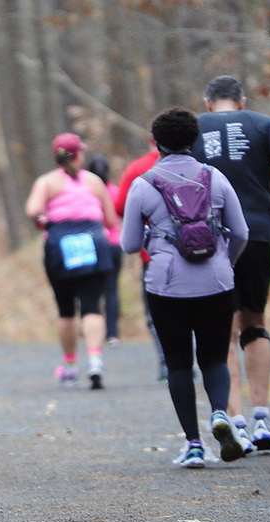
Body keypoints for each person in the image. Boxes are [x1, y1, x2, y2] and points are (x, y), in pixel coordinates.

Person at [121, 106, 249, 468]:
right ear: (194, 140)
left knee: (179, 364)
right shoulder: (216, 178)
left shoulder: (143, 184)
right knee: (214, 356)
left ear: (157, 142)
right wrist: (226, 262)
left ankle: (194, 445)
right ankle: (220, 414)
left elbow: (130, 244)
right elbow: (241, 232)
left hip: (166, 285)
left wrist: (154, 236)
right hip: (217, 280)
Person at [191, 75, 270, 454]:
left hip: (207, 238)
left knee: (220, 328)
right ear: (242, 101)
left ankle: (233, 421)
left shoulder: (193, 128)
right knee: (254, 321)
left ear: (207, 102)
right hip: (255, 232)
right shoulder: (264, 123)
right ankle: (263, 420)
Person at [25, 133, 117, 390]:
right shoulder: (94, 181)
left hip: (59, 243)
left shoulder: (47, 182)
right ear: (79, 154)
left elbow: (33, 210)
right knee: (91, 306)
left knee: (66, 309)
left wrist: (43, 219)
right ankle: (95, 360)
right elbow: (110, 219)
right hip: (93, 240)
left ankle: (71, 365)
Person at [115, 137, 167, 381]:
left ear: (151, 140)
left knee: (156, 312)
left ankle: (167, 361)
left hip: (153, 254)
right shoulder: (200, 166)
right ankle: (193, 358)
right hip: (198, 252)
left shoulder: (137, 169)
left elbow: (119, 206)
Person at [86, 154, 123, 346]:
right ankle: (112, 334)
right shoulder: (115, 191)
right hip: (114, 245)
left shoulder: (85, 192)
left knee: (92, 290)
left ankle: (93, 333)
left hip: (93, 245)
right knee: (111, 290)